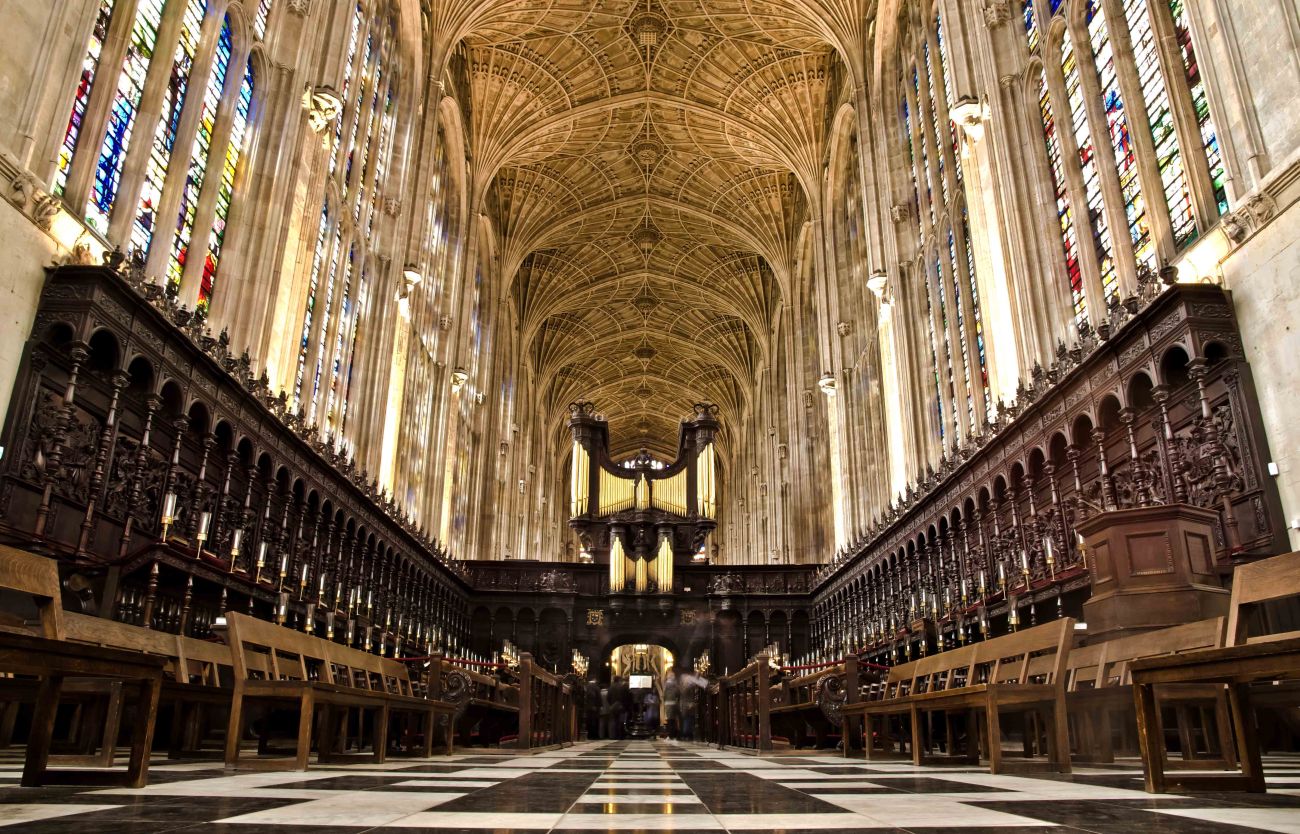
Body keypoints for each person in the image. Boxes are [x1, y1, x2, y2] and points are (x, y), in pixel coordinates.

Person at [662, 672, 680, 739]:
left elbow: (664, 694)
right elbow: (677, 693)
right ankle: (674, 735)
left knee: (670, 720)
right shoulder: (675, 684)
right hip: (674, 703)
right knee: (673, 719)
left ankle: (671, 735)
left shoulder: (667, 683)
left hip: (669, 703)